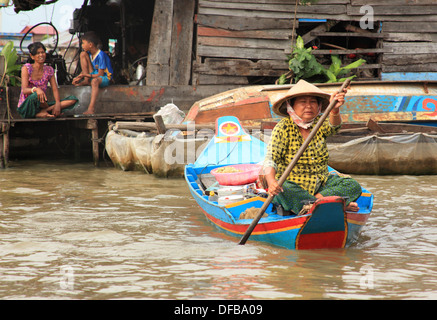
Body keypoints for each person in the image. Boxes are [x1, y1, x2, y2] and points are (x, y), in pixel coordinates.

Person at [263, 79, 362, 215]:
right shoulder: (283, 127)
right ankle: (335, 205)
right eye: (303, 102)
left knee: (353, 186)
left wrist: (335, 109)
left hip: (320, 184)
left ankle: (313, 204)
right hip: (295, 184)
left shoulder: (318, 123)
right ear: (291, 106)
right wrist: (272, 181)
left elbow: (334, 127)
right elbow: (271, 159)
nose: (308, 106)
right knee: (283, 188)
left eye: (313, 102)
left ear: (319, 106)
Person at [18, 42, 78, 118]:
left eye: (42, 52)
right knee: (36, 95)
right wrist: (36, 90)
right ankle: (39, 113)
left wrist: (57, 104)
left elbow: (55, 89)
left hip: (42, 104)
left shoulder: (49, 70)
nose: (41, 55)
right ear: (32, 56)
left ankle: (44, 111)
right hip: (27, 106)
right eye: (38, 53)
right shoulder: (26, 68)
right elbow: (24, 90)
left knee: (73, 100)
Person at [72, 31, 113, 115]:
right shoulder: (89, 54)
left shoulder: (101, 55)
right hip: (94, 74)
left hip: (104, 77)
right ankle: (86, 81)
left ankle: (91, 108)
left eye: (83, 43)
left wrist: (84, 75)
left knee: (94, 81)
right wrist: (79, 77)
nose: (82, 46)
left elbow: (100, 75)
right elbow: (90, 71)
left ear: (90, 45)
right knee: (82, 54)